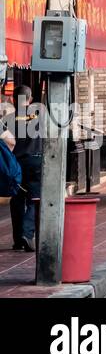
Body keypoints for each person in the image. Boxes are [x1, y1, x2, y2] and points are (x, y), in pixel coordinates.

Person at [6, 85, 41, 252]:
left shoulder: (8, 119)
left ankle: (18, 239)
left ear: (13, 100)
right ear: (30, 99)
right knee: (35, 200)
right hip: (35, 163)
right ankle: (27, 234)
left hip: (16, 166)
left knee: (17, 200)